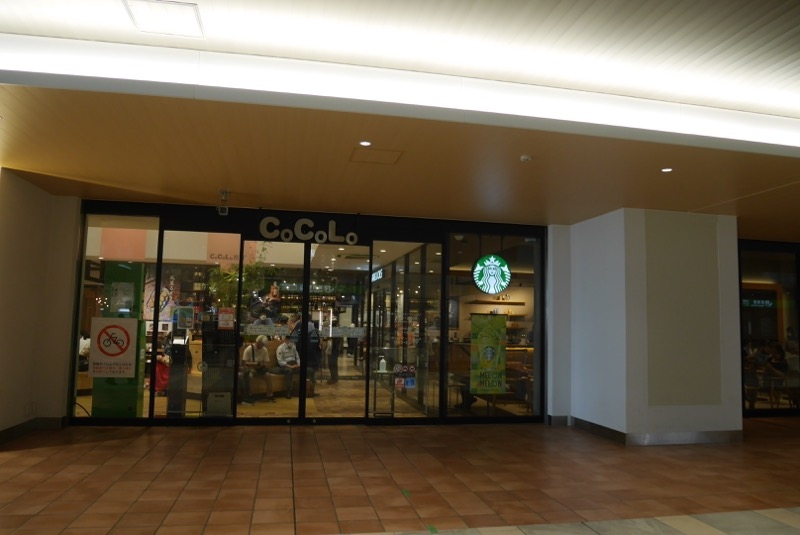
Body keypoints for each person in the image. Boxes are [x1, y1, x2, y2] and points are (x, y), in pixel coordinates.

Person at [239, 335, 276, 405]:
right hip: (251, 369)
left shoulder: (264, 350)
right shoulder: (249, 349)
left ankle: (269, 395)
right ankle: (250, 394)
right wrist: (254, 364)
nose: (261, 346)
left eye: (263, 345)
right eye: (260, 344)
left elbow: (266, 362)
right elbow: (244, 362)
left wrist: (262, 364)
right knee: (249, 376)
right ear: (257, 342)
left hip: (260, 370)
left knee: (268, 375)